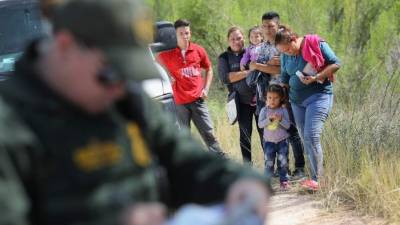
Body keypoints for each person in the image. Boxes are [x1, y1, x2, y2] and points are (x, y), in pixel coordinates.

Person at [0, 1, 272, 225]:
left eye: (129, 74)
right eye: (111, 72)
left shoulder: (126, 102)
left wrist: (243, 183)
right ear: (65, 46)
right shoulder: (11, 125)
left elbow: (186, 159)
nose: (120, 87)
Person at [275, 25, 341, 191]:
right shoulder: (285, 54)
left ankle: (319, 180)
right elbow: (284, 76)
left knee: (311, 135)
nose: (288, 53)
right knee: (306, 139)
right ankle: (314, 178)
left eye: (289, 49)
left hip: (319, 97)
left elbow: (336, 63)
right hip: (297, 102)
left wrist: (317, 77)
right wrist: (281, 98)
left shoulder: (315, 43)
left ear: (294, 39)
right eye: (284, 52)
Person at [251, 11, 306, 178]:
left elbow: (281, 69)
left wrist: (259, 65)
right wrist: (260, 65)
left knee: (290, 129)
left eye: (271, 26)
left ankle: (300, 167)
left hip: (285, 93)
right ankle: (279, 168)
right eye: (265, 26)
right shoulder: (262, 46)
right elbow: (256, 66)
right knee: (269, 129)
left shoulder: (282, 43)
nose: (267, 29)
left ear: (278, 25)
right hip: (266, 96)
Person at [157, 19, 223, 155]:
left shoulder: (198, 50)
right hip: (180, 103)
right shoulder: (168, 54)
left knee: (209, 133)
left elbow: (209, 68)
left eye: (186, 33)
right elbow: (154, 59)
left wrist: (206, 89)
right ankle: (189, 166)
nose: (184, 36)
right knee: (184, 137)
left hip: (198, 99)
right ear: (175, 35)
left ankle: (220, 161)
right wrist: (166, 74)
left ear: (190, 33)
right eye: (181, 33)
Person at [218, 26, 279, 163]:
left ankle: (270, 165)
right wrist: (250, 71)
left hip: (260, 100)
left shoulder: (252, 50)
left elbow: (267, 68)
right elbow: (225, 78)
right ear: (228, 41)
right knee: (245, 135)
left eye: (239, 38)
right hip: (241, 103)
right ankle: (247, 166)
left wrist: (258, 66)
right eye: (232, 39)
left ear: (243, 39)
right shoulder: (224, 57)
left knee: (265, 133)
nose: (236, 41)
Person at [258, 84, 291, 190]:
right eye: (270, 98)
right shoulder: (264, 111)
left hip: (282, 141)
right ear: (266, 98)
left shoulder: (283, 110)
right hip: (268, 142)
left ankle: (284, 181)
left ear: (281, 98)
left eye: (276, 98)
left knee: (283, 162)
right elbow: (260, 125)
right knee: (269, 163)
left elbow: (287, 126)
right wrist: (269, 119)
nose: (272, 100)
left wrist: (281, 119)